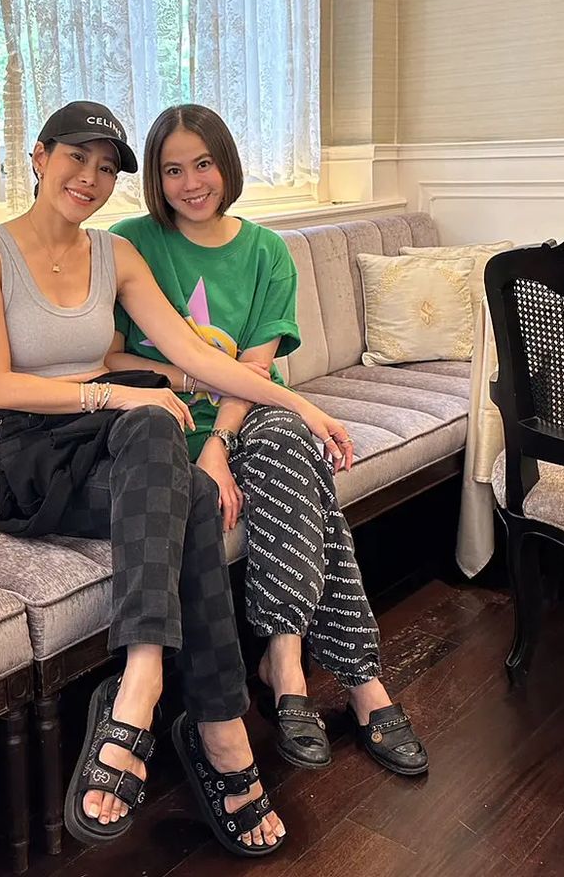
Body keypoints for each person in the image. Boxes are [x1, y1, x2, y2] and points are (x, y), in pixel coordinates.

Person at [0, 101, 356, 857]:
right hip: (31, 455)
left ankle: (142, 682)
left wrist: (300, 404)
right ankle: (218, 727)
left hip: (113, 445)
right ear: (39, 157)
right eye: (77, 158)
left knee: (171, 450)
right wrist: (116, 394)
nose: (91, 177)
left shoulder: (115, 255)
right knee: (171, 454)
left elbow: (197, 356)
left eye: (106, 167)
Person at [108, 104, 428, 776]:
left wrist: (219, 446)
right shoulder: (128, 243)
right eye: (172, 170)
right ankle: (356, 678)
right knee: (307, 470)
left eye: (203, 164)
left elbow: (254, 373)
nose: (191, 183)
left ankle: (285, 661)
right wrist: (183, 382)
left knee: (285, 437)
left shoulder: (265, 252)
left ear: (226, 163)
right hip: (160, 423)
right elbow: (111, 357)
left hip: (246, 412)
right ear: (155, 180)